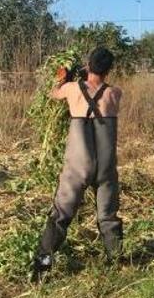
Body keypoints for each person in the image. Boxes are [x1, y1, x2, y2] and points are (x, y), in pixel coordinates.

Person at [32, 47, 124, 279]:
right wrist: (91, 73)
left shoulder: (72, 90)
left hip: (78, 166)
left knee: (60, 216)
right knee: (108, 216)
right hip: (106, 167)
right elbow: (100, 87)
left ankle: (42, 267)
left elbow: (54, 93)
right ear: (109, 69)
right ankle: (116, 265)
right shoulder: (115, 93)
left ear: (88, 65)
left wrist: (67, 76)